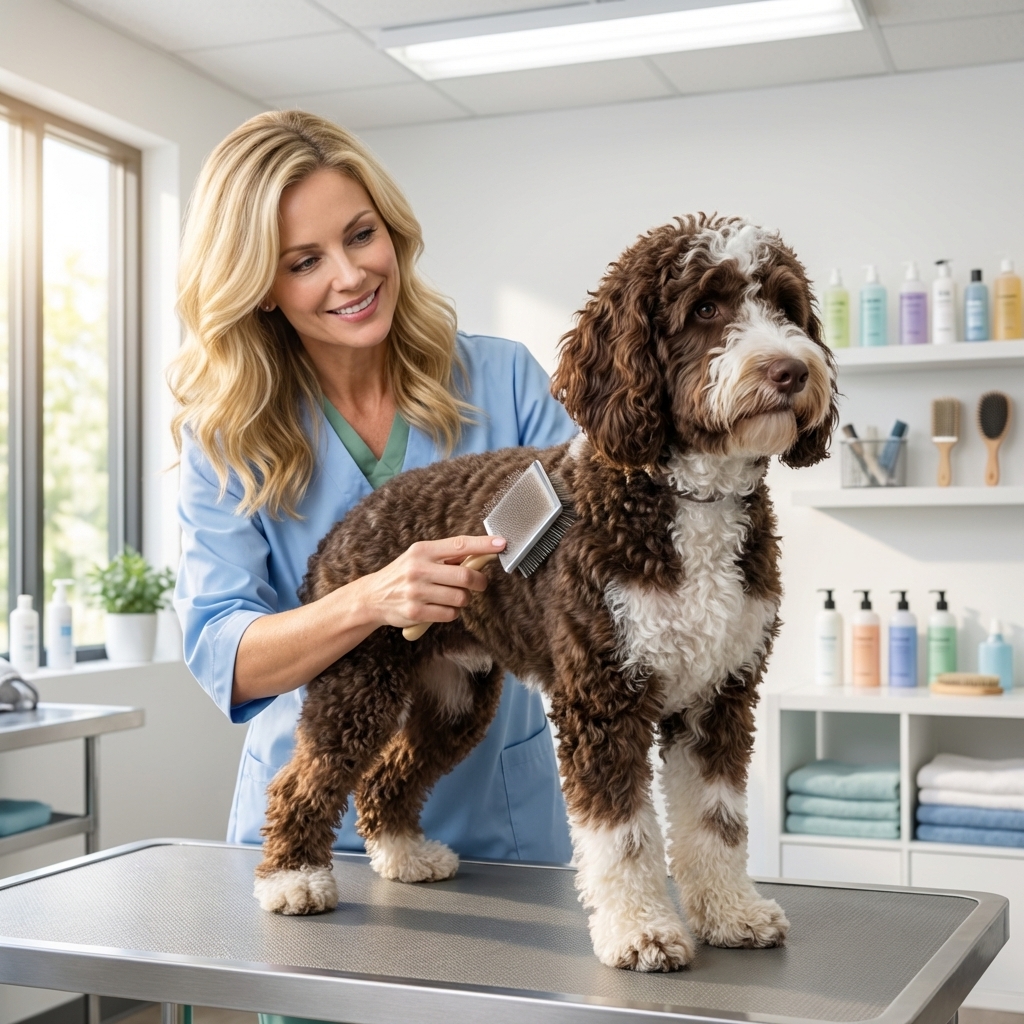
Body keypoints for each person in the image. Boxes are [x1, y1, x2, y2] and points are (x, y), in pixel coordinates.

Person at [170, 110, 575, 879]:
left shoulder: (504, 378)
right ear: (258, 287)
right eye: (303, 261)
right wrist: (371, 599)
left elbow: (567, 525)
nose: (351, 276)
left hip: (497, 826)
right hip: (310, 839)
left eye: (361, 235)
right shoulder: (228, 436)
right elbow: (228, 655)